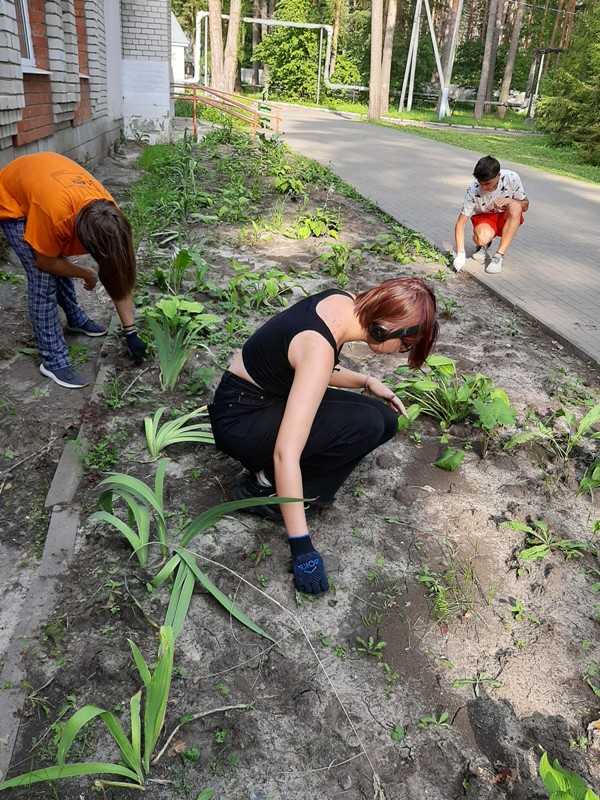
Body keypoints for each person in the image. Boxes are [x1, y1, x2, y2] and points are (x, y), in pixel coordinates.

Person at [208, 278, 438, 596]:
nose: (399, 354)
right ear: (384, 330)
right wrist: (302, 550)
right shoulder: (317, 346)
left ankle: (289, 487)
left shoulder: (342, 304)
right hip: (242, 420)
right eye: (405, 346)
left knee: (384, 419)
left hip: (267, 398)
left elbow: (308, 368)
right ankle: (266, 491)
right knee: (368, 423)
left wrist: (367, 381)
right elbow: (285, 452)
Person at [0, 152, 146, 388]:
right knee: (43, 278)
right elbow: (45, 261)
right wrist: (85, 273)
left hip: (47, 182)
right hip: (11, 196)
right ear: (81, 235)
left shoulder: (112, 217)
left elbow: (119, 275)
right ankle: (53, 359)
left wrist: (131, 332)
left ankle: (75, 318)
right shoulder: (57, 218)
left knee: (58, 260)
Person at [453, 155, 529, 275]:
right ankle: (483, 245)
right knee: (481, 238)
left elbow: (525, 205)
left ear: (498, 175)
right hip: (485, 218)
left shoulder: (511, 178)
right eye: (480, 183)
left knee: (516, 206)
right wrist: (460, 254)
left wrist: (510, 201)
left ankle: (499, 256)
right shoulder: (473, 189)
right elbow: (460, 223)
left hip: (506, 217)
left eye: (488, 183)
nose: (484, 187)